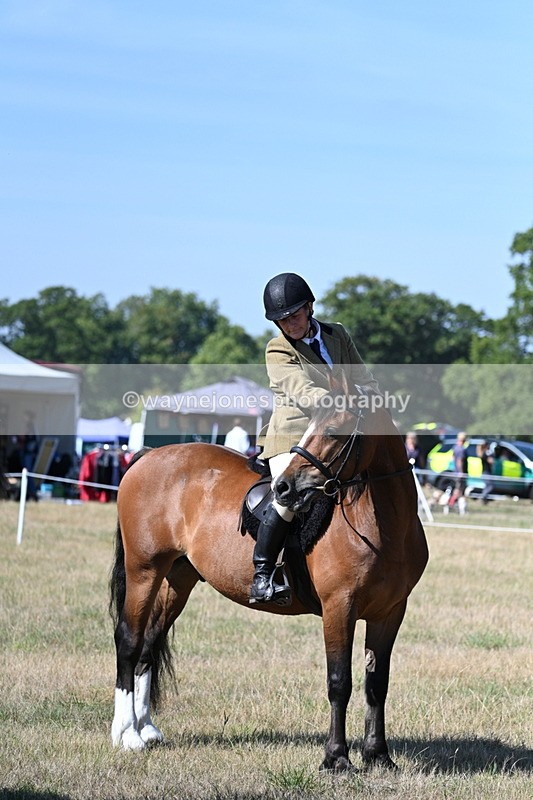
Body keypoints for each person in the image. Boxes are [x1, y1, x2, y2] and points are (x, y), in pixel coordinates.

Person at [250, 272, 378, 605]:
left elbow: (363, 378)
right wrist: (343, 402)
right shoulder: (278, 348)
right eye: (280, 320)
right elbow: (302, 391)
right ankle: (263, 574)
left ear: (309, 307)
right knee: (287, 496)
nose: (288, 324)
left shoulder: (338, 334)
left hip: (339, 434)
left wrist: (371, 398)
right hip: (295, 437)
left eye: (293, 315)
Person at [449, 431, 468, 507]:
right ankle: (451, 503)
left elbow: (453, 458)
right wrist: (461, 472)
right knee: (458, 490)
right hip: (459, 473)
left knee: (457, 489)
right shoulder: (461, 449)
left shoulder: (455, 447)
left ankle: (454, 504)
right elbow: (460, 461)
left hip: (455, 471)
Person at [477, 440, 493, 505]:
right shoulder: (485, 454)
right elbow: (491, 461)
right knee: (490, 486)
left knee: (488, 485)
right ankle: (483, 497)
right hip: (486, 472)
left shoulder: (484, 453)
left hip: (486, 471)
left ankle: (484, 498)